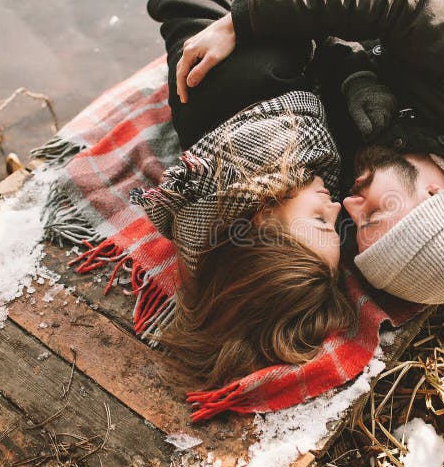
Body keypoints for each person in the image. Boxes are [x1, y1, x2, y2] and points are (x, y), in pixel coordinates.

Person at [153, 0, 444, 305]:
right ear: (432, 194)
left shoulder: (378, 171)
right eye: (373, 213)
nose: (348, 205)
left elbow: (330, 50)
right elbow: (396, 5)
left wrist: (354, 74)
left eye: (353, 226)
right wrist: (247, 16)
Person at [130, 90, 358, 389]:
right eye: (333, 224)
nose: (339, 206)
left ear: (261, 220)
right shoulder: (322, 157)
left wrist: (234, 38)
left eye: (320, 221)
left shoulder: (222, 101)